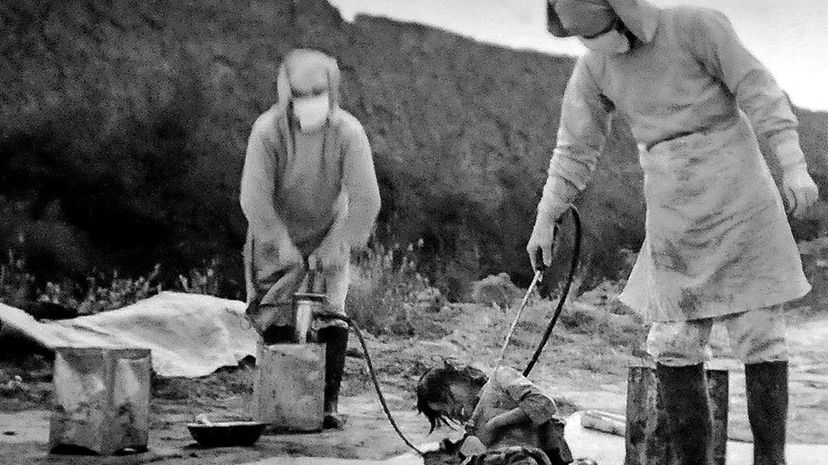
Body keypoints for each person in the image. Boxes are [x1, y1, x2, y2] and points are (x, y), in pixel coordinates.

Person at [529, 1, 820, 464]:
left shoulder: (695, 27)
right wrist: (547, 216)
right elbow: (574, 147)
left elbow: (757, 88)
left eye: (599, 31)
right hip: (672, 207)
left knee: (759, 334)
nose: (594, 43)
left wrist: (793, 162)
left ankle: (771, 460)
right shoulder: (593, 69)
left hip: (738, 192)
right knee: (673, 343)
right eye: (581, 36)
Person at [240, 48, 381, 429]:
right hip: (274, 234)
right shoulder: (268, 132)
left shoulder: (348, 133)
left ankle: (326, 403)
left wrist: (341, 243)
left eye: (318, 93)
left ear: (332, 92)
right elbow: (254, 197)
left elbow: (366, 199)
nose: (310, 102)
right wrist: (280, 242)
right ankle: (281, 401)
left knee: (330, 311)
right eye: (302, 95)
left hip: (329, 230)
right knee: (277, 312)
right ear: (287, 94)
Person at [416, 363, 575, 465]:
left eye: (446, 398)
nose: (451, 410)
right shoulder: (473, 429)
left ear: (461, 379)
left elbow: (543, 405)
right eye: (443, 412)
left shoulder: (500, 378)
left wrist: (495, 423)